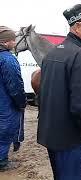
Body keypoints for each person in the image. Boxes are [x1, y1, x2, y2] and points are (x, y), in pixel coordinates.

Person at [37, 4, 81, 179]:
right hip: (69, 137)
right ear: (77, 26)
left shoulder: (51, 54)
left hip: (51, 134)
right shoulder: (80, 57)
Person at [0, 26, 27, 170]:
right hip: (6, 105)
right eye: (13, 40)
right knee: (5, 131)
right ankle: (1, 162)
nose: (15, 42)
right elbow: (15, 86)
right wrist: (22, 103)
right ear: (5, 42)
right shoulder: (8, 60)